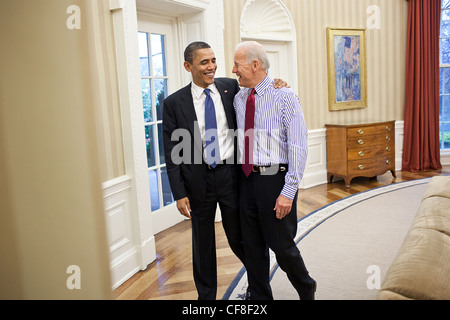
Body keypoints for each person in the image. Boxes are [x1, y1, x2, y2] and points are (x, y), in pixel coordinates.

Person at [162, 42, 287, 300]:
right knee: (203, 246)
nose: (212, 67)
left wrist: (277, 83)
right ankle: (205, 299)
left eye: (213, 60)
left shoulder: (230, 87)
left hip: (231, 177)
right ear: (188, 66)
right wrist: (178, 193)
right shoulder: (174, 103)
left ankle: (260, 292)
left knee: (243, 239)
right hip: (197, 183)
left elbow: (258, 82)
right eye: (204, 62)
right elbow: (173, 152)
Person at [232, 41, 317, 300]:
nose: (233, 70)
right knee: (252, 247)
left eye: (237, 65)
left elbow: (298, 146)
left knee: (282, 246)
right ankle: (259, 296)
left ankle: (306, 287)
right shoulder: (238, 98)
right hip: (246, 180)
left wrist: (288, 191)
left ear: (255, 65)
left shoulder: (285, 96)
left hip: (274, 179)